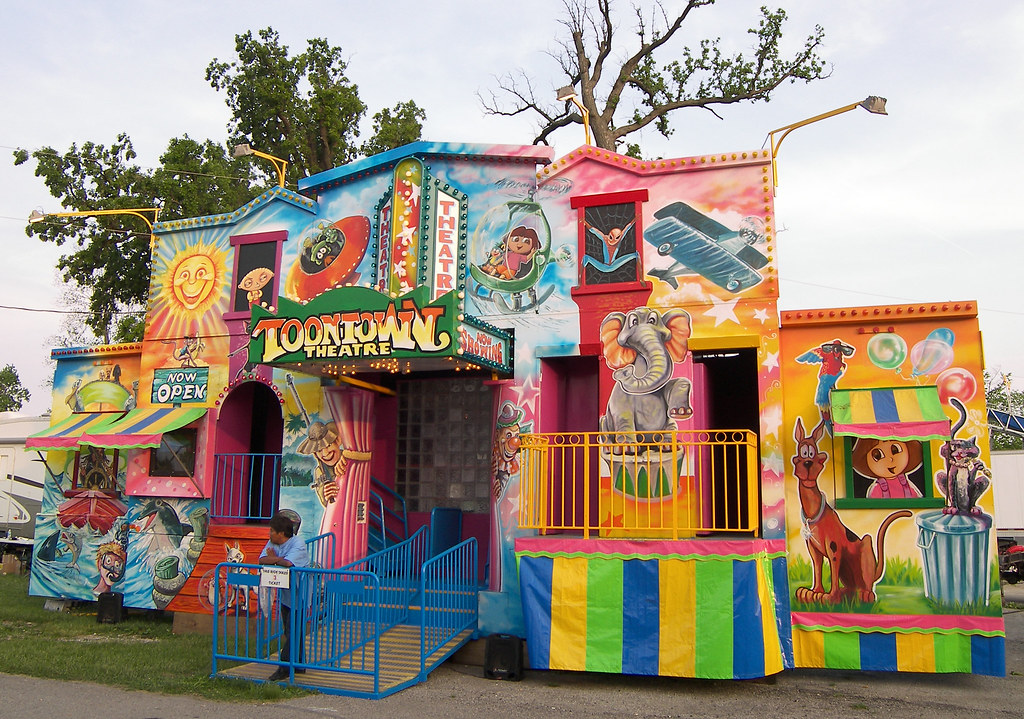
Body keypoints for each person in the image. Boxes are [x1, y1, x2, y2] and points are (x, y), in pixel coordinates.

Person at [260, 511, 310, 681]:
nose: (269, 534)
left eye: (272, 531)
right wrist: (276, 559)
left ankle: (285, 666)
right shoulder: (273, 542)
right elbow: (261, 559)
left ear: (281, 534)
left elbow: (289, 563)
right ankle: (299, 664)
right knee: (291, 630)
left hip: (299, 592)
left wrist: (274, 558)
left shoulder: (298, 543)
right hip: (286, 593)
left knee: (293, 630)